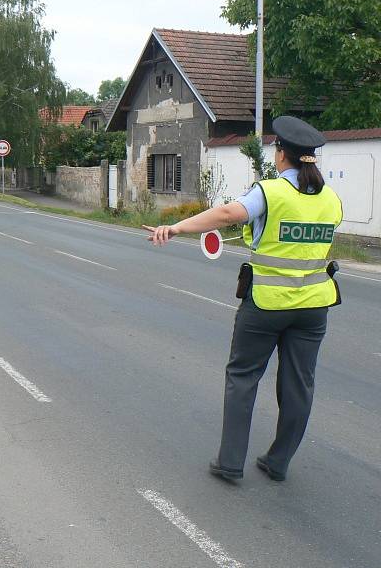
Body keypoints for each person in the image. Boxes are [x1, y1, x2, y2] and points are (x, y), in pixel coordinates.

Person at [143, 116, 342, 482]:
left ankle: (231, 463)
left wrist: (174, 228)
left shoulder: (270, 191)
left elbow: (226, 214)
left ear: (282, 154)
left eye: (276, 149)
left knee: (243, 376)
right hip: (314, 308)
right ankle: (278, 462)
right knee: (300, 385)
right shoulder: (331, 199)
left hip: (266, 305)